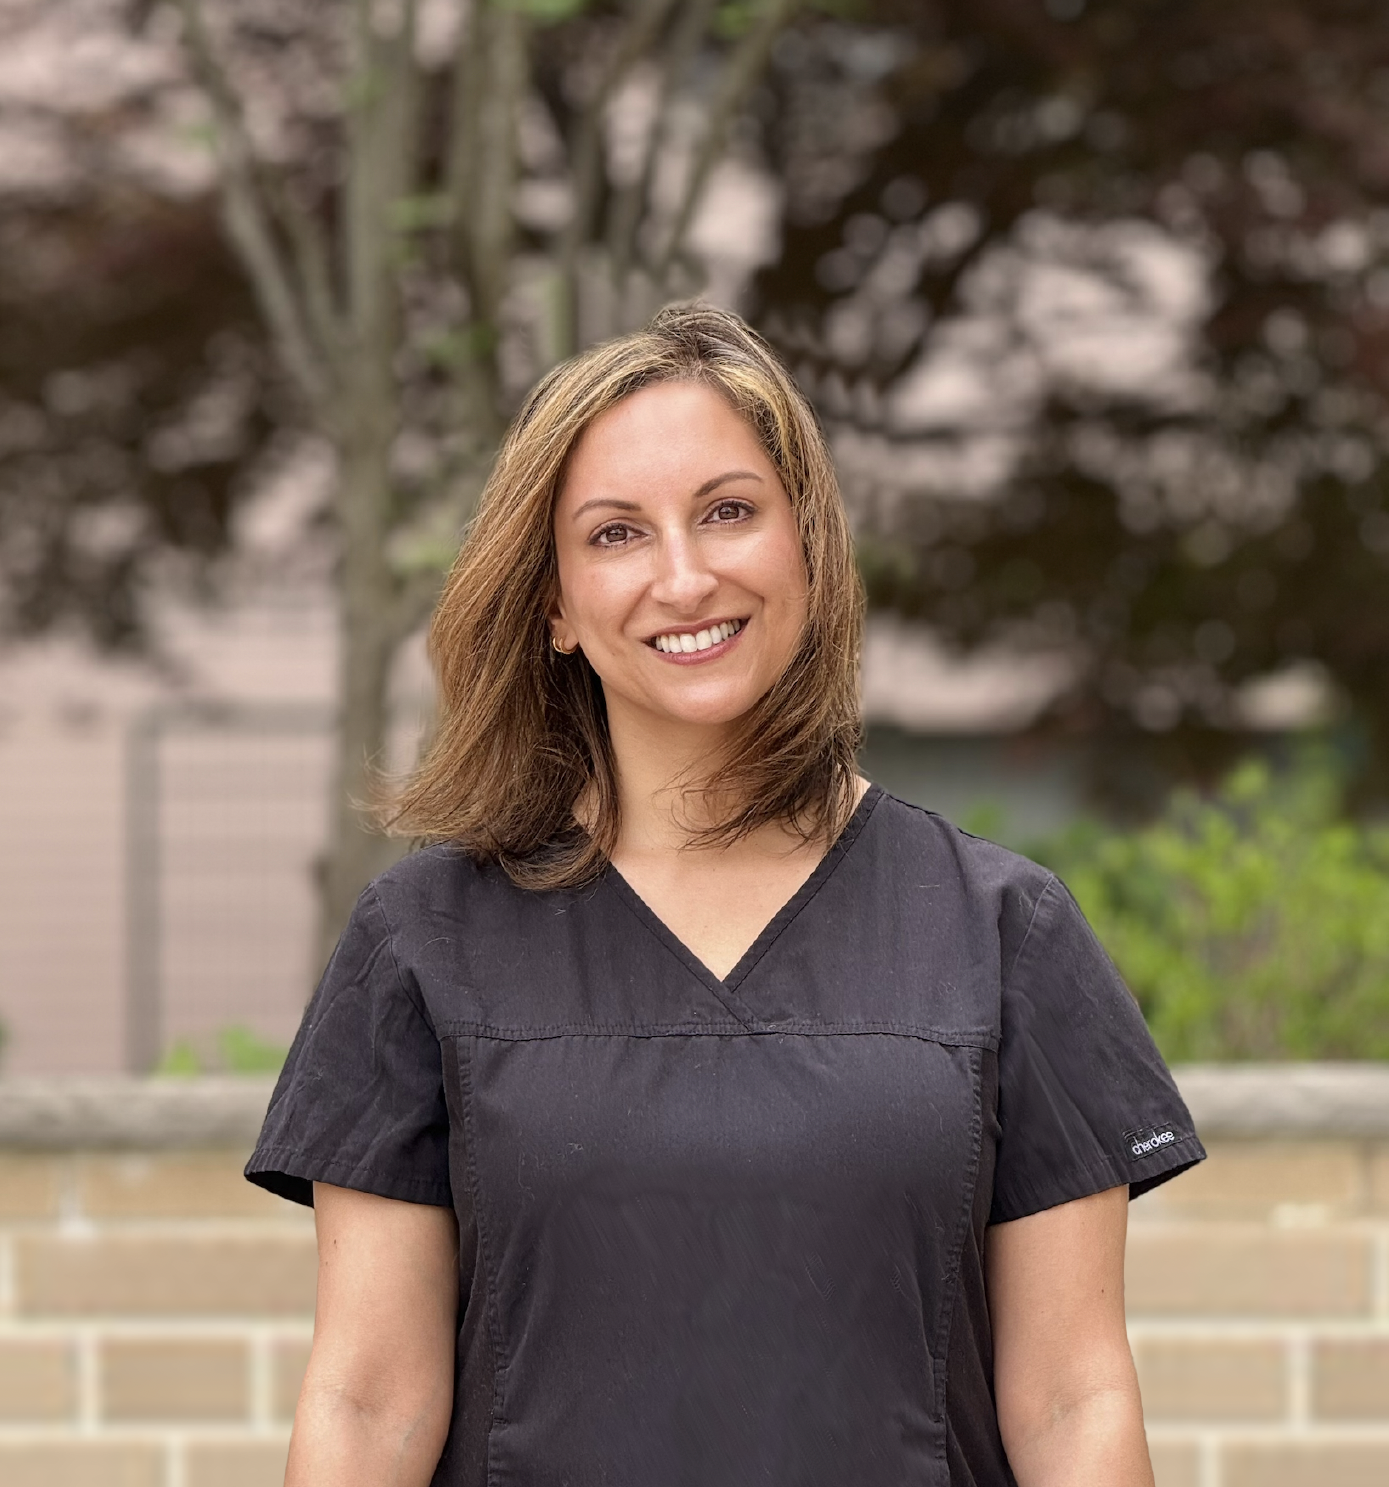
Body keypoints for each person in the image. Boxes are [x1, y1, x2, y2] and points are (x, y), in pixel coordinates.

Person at [245, 304, 1205, 1486]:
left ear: (807, 544)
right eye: (615, 535)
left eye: (729, 511)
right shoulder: (423, 943)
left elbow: (1073, 1398)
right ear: (552, 604)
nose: (684, 575)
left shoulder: (1001, 931)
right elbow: (366, 1402)